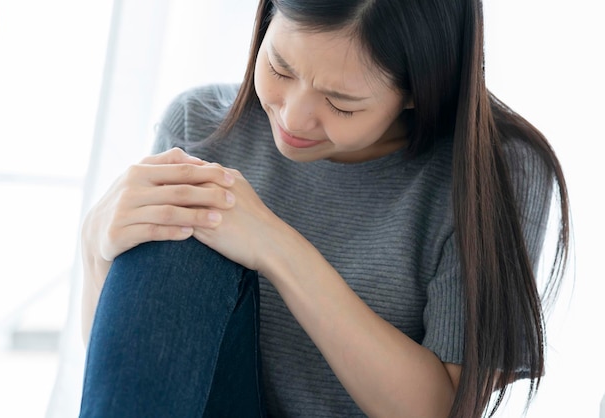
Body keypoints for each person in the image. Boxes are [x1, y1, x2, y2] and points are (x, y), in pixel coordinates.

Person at [78, 0, 570, 417]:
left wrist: (277, 247)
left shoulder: (495, 171)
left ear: (417, 93)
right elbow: (132, 376)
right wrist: (94, 250)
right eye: (279, 68)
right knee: (184, 216)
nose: (293, 116)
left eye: (341, 103)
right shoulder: (200, 125)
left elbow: (440, 408)